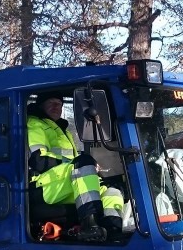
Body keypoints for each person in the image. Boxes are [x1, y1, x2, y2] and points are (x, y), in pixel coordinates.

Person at [27, 92, 123, 241]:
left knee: (111, 191)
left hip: (62, 182)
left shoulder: (62, 130)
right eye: (51, 102)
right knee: (83, 162)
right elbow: (38, 160)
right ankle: (90, 225)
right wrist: (80, 163)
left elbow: (72, 160)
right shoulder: (34, 124)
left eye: (59, 104)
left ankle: (112, 228)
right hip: (43, 185)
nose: (56, 107)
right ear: (41, 105)